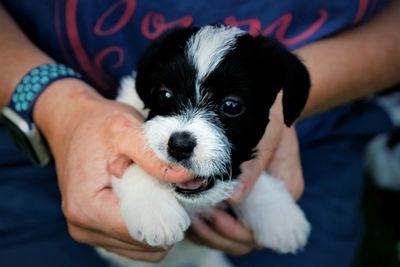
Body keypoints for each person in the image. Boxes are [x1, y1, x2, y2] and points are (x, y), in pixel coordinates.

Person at [0, 1, 399, 267]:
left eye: (228, 108)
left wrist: (264, 183)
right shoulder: (132, 101)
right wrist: (56, 104)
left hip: (319, 136)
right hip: (28, 129)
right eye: (167, 96)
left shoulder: (282, 92)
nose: (184, 135)